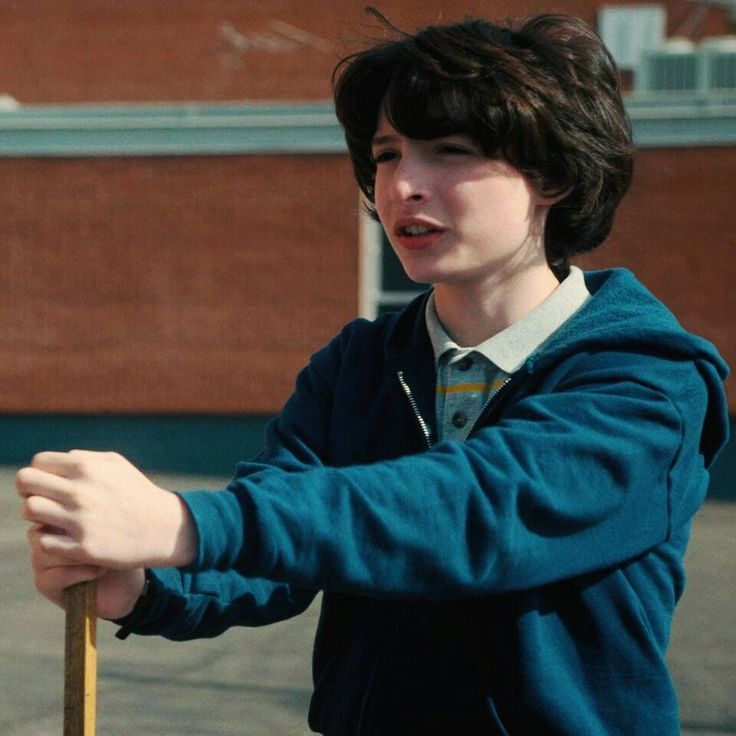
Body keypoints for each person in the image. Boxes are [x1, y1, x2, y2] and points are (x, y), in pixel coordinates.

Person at [17, 11, 729, 736]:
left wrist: (184, 523)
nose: (404, 186)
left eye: (449, 151)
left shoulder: (646, 381)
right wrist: (142, 585)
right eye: (387, 155)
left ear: (549, 176)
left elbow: (471, 513)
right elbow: (280, 548)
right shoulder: (358, 364)